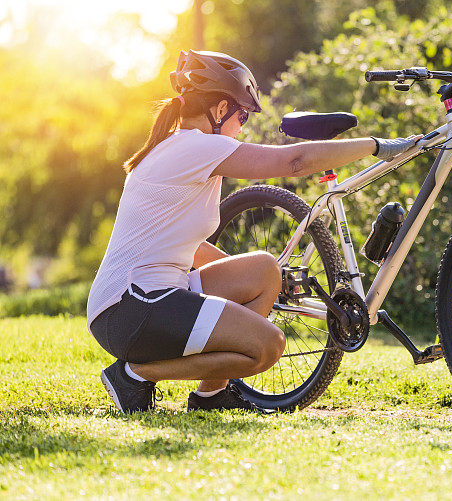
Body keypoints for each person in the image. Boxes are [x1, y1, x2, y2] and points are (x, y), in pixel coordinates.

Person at [86, 49, 419, 414]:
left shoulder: (183, 149)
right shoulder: (197, 147)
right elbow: (294, 162)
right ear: (218, 110)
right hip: (129, 309)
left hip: (145, 298)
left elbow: (192, 246)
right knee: (268, 346)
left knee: (263, 270)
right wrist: (375, 146)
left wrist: (259, 283)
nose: (242, 125)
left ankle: (210, 395)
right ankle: (135, 375)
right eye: (241, 114)